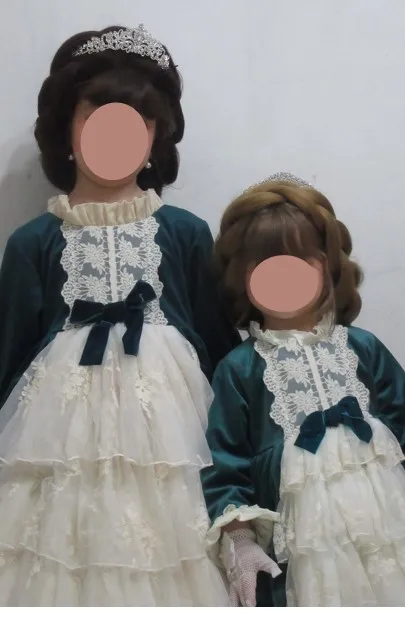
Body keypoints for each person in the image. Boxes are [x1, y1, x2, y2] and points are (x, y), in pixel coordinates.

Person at [0, 24, 239, 606]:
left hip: (173, 446)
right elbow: (10, 355)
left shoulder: (185, 233)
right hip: (58, 450)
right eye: (96, 118)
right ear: (66, 129)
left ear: (156, 136)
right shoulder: (33, 243)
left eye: (136, 122)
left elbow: (220, 349)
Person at [201, 173, 405, 606]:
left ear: (327, 266)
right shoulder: (239, 369)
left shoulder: (363, 348)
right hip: (301, 552)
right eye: (266, 264)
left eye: (300, 260)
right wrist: (240, 540)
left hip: (387, 528)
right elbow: (225, 463)